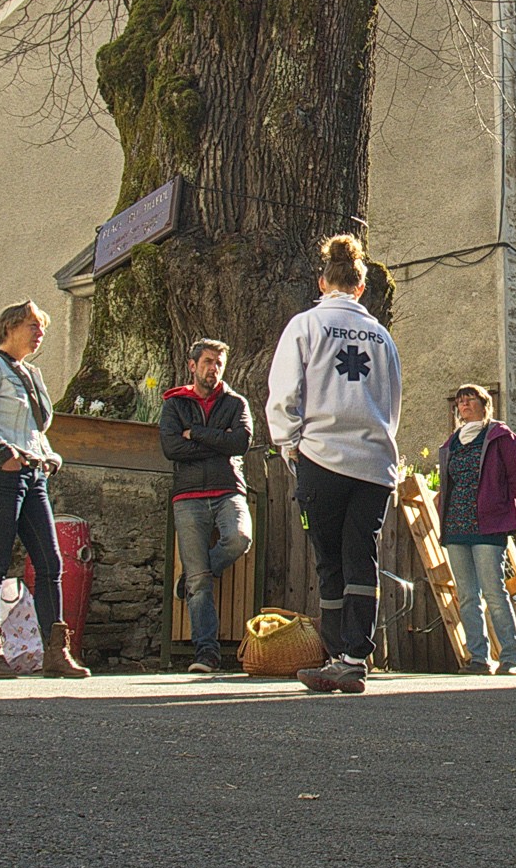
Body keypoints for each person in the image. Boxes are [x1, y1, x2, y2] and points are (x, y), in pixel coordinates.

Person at [266, 234, 402, 694]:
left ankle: (333, 652)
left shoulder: (306, 326)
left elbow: (284, 394)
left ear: (323, 281)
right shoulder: (382, 338)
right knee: (361, 554)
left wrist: (290, 445)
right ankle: (355, 656)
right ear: (362, 287)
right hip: (374, 461)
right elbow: (392, 404)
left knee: (329, 562)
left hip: (322, 457)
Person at [0, 300, 90, 678]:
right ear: (10, 327)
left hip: (32, 476)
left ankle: (56, 653)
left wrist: (47, 455)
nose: (39, 332)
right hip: (0, 475)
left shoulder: (31, 374)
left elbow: (34, 429)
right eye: (33, 325)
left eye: (41, 327)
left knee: (50, 563)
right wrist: (0, 450)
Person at [159, 338, 255, 674]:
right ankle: (206, 654)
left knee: (239, 539)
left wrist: (196, 433)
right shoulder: (175, 404)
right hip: (188, 497)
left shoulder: (235, 403)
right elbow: (171, 448)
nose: (213, 368)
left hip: (228, 490)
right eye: (208, 361)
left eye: (218, 363)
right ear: (193, 365)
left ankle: (195, 574)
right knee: (199, 584)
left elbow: (240, 442)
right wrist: (217, 442)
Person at [436, 384, 516, 674]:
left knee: (493, 591)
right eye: (460, 401)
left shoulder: (502, 437)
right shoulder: (452, 443)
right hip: (456, 526)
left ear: (484, 404)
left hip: (489, 526)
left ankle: (511, 659)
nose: (464, 404)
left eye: (470, 399)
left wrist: (497, 502)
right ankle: (479, 658)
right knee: (466, 595)